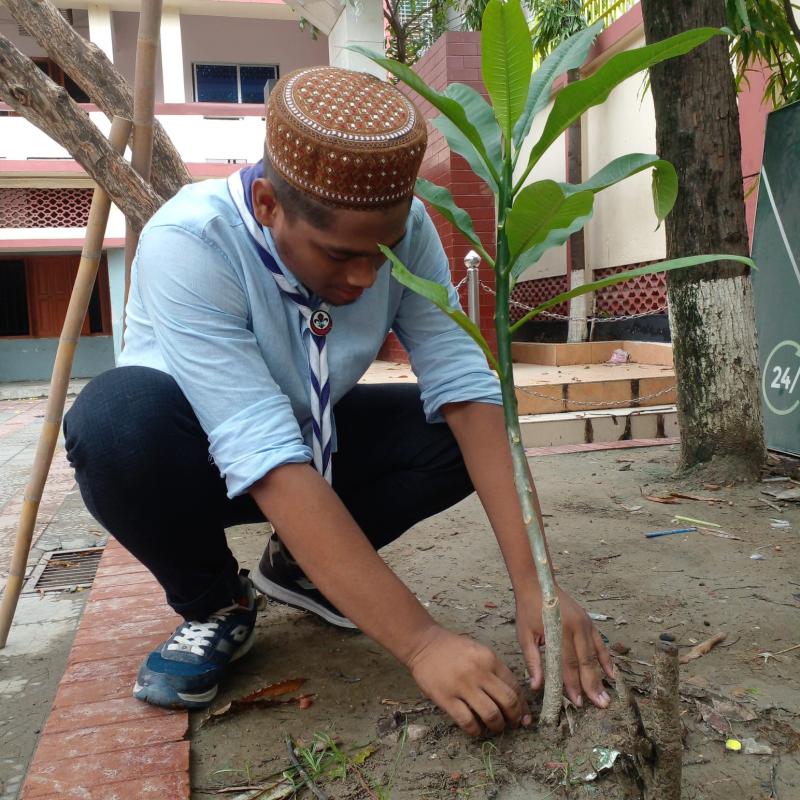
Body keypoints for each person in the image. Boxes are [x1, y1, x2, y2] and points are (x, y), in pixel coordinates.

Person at [64, 65, 612, 736]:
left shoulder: (409, 228)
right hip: (191, 463)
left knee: (456, 432)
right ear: (267, 204)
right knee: (114, 422)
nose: (365, 278)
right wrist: (423, 644)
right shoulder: (191, 243)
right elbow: (262, 451)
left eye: (382, 255)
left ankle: (301, 570)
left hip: (314, 444)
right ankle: (217, 602)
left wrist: (538, 586)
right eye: (338, 255)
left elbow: (466, 385)